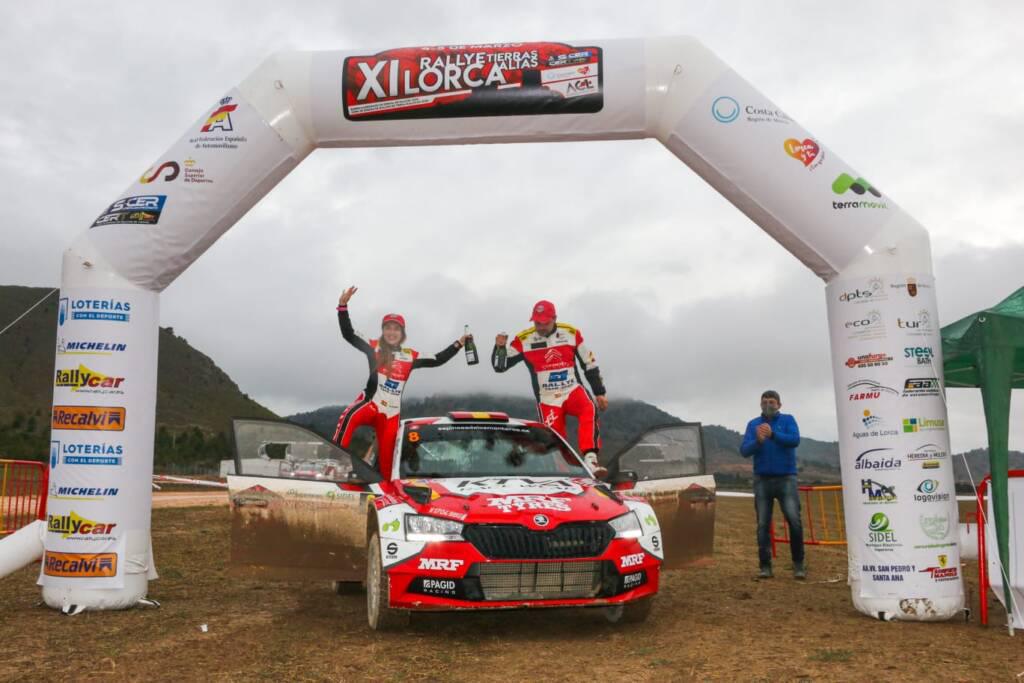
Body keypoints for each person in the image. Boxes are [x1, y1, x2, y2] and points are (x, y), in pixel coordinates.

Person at [332, 286, 466, 479]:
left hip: (390, 415)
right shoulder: (373, 346)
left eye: (396, 329)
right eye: (387, 328)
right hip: (370, 405)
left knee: (388, 464)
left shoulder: (410, 356)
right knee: (348, 418)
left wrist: (458, 344)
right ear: (383, 331)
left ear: (402, 333)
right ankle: (334, 466)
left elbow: (438, 359)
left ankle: (386, 491)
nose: (391, 332)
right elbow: (349, 333)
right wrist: (342, 306)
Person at [492, 299, 609, 477]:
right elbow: (500, 367)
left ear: (554, 318)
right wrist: (499, 347)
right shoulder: (524, 339)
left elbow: (589, 364)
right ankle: (564, 474)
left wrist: (599, 392)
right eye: (537, 322)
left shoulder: (571, 333)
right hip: (547, 397)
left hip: (571, 389)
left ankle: (591, 459)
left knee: (589, 407)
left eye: (544, 322)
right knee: (553, 438)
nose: (540, 326)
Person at [740, 390, 806, 580]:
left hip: (786, 478)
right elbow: (744, 450)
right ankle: (765, 566)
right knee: (762, 524)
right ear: (760, 404)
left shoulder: (788, 420)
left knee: (794, 521)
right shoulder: (753, 424)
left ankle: (798, 564)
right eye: (764, 402)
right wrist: (758, 441)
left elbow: (795, 440)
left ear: (779, 404)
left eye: (771, 401)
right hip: (762, 480)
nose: (767, 405)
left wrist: (773, 434)